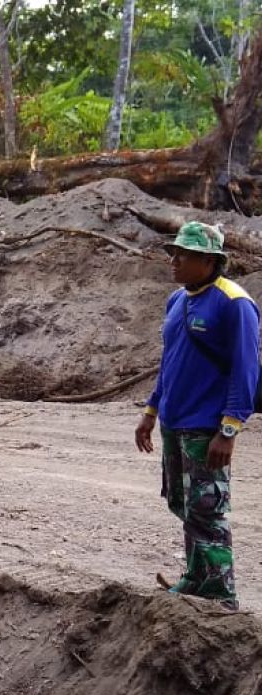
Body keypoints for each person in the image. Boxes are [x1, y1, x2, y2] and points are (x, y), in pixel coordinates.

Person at [135, 221, 260, 611]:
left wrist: (229, 429)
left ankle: (222, 596)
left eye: (183, 255)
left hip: (206, 426)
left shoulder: (234, 303)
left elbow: (246, 370)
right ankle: (197, 577)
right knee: (182, 503)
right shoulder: (177, 300)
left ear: (209, 261)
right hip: (175, 420)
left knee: (207, 509)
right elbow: (169, 362)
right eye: (173, 253)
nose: (174, 261)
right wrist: (151, 411)